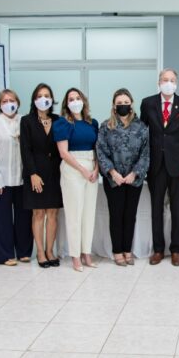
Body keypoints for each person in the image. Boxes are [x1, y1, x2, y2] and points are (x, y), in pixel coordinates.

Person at [140, 68, 179, 266]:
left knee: (177, 210)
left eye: (172, 80)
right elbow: (141, 135)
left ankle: (176, 250)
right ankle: (158, 250)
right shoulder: (148, 103)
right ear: (159, 82)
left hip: (178, 167)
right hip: (155, 166)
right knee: (156, 210)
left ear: (177, 83)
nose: (168, 83)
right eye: (165, 79)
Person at [97, 88, 150, 266]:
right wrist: (113, 173)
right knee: (116, 215)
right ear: (114, 106)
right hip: (114, 180)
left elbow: (145, 153)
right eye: (119, 103)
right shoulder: (106, 126)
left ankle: (128, 250)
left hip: (133, 179)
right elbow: (101, 152)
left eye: (126, 103)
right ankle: (117, 251)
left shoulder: (141, 127)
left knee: (130, 215)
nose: (123, 106)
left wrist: (134, 173)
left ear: (131, 104)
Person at [0, 89, 32, 266]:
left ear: (18, 102)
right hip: (0, 180)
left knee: (23, 217)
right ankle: (3, 254)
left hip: (22, 179)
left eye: (12, 100)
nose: (9, 103)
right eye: (5, 100)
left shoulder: (24, 121)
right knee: (0, 219)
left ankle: (24, 251)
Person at [54, 88, 99, 272]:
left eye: (77, 98)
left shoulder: (92, 123)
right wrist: (81, 169)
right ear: (66, 103)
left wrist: (96, 168)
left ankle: (86, 253)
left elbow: (97, 148)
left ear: (83, 101)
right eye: (71, 99)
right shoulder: (62, 123)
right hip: (73, 168)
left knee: (89, 213)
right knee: (74, 214)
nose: (75, 101)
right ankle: (75, 256)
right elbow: (63, 152)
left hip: (92, 168)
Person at [20, 83, 63, 268]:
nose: (43, 99)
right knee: (38, 213)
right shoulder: (27, 121)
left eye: (47, 95)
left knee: (53, 213)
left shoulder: (58, 119)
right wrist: (33, 173)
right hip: (35, 173)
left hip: (55, 172)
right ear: (34, 100)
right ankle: (39, 252)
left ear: (52, 99)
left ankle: (50, 250)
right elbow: (26, 150)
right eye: (39, 95)